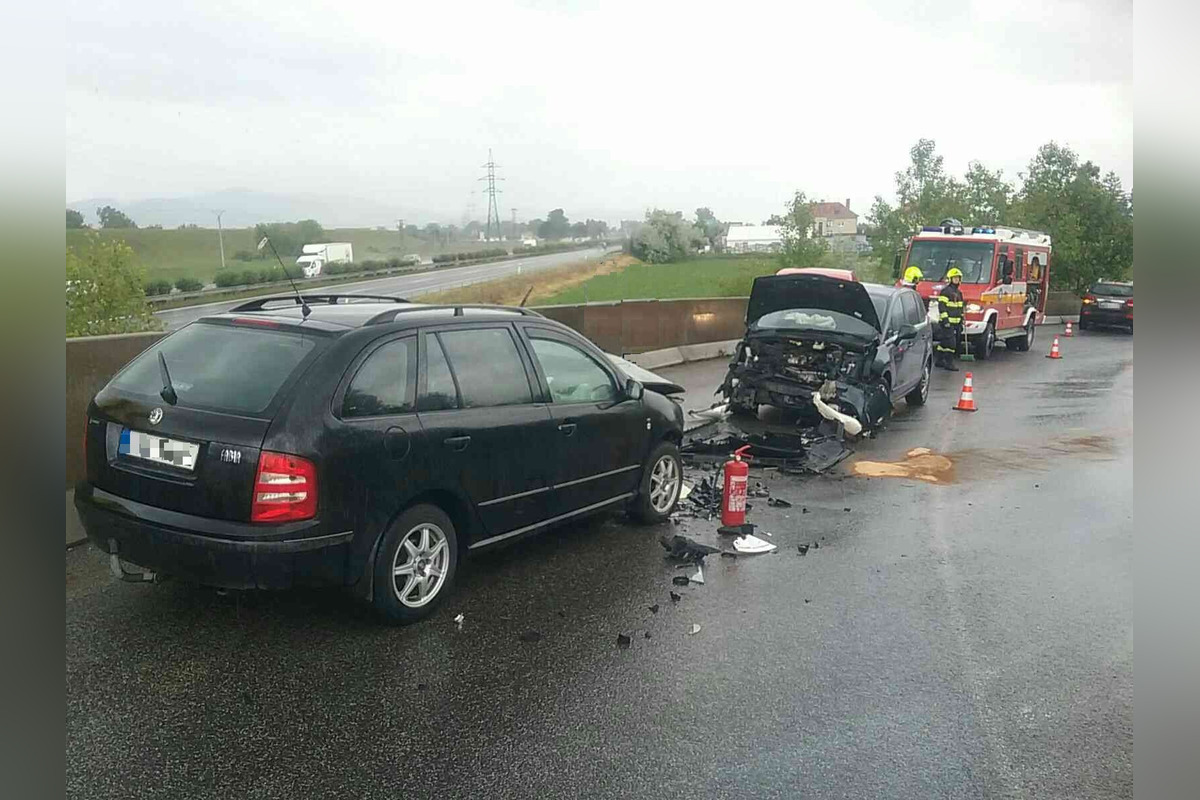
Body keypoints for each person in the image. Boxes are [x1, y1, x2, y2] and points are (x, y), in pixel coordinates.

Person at [935, 267, 965, 371]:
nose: (956, 280)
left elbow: (960, 307)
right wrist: (945, 321)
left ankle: (939, 360)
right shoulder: (945, 291)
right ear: (950, 279)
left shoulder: (959, 293)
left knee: (944, 342)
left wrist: (961, 319)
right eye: (954, 278)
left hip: (955, 323)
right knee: (952, 344)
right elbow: (942, 307)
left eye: (958, 278)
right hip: (946, 323)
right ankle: (949, 363)